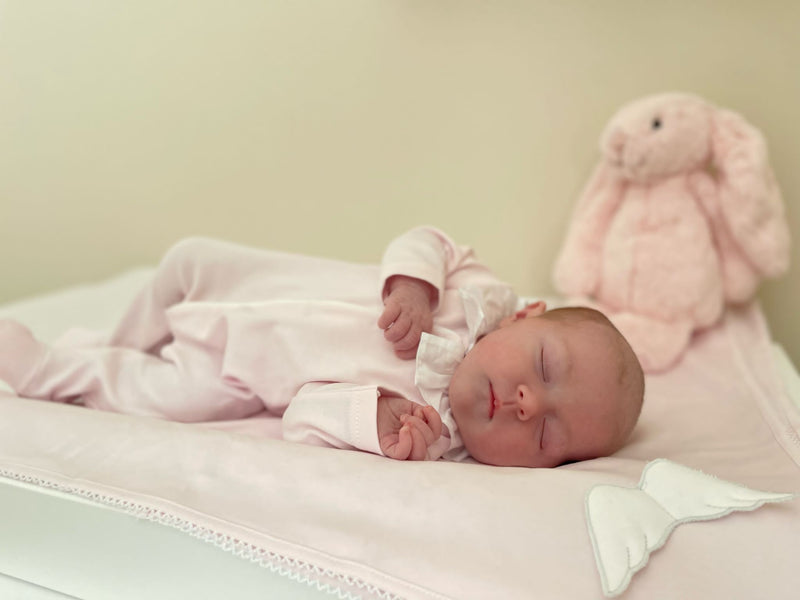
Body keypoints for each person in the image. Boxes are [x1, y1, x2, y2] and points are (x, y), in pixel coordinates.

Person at [0, 227, 644, 467]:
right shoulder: (477, 295)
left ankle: (46, 367)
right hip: (246, 283)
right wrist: (414, 287)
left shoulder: (431, 433)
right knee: (184, 259)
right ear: (526, 316)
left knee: (159, 398)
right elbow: (428, 239)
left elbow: (302, 416)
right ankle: (112, 341)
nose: (529, 404)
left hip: (236, 373)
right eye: (543, 366)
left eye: (546, 436)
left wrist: (373, 422)